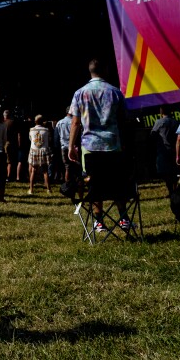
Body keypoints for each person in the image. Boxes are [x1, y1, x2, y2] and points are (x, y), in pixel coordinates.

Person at [68, 59, 129, 232]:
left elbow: (75, 122)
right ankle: (123, 217)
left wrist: (71, 146)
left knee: (93, 183)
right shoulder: (115, 92)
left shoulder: (80, 93)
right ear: (105, 70)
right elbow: (123, 120)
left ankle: (99, 221)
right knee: (116, 181)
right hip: (112, 144)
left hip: (90, 146)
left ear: (90, 71)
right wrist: (124, 142)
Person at [150, 106, 179, 197]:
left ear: (161, 113)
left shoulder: (158, 122)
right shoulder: (176, 122)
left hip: (163, 150)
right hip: (174, 150)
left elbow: (153, 135)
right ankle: (174, 189)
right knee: (174, 171)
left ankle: (171, 190)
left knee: (165, 172)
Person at [27, 114, 52, 195]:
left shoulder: (31, 130)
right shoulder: (46, 130)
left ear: (35, 121)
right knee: (45, 171)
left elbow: (30, 139)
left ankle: (31, 189)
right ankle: (48, 189)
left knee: (33, 170)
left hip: (34, 150)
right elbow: (49, 139)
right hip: (44, 150)